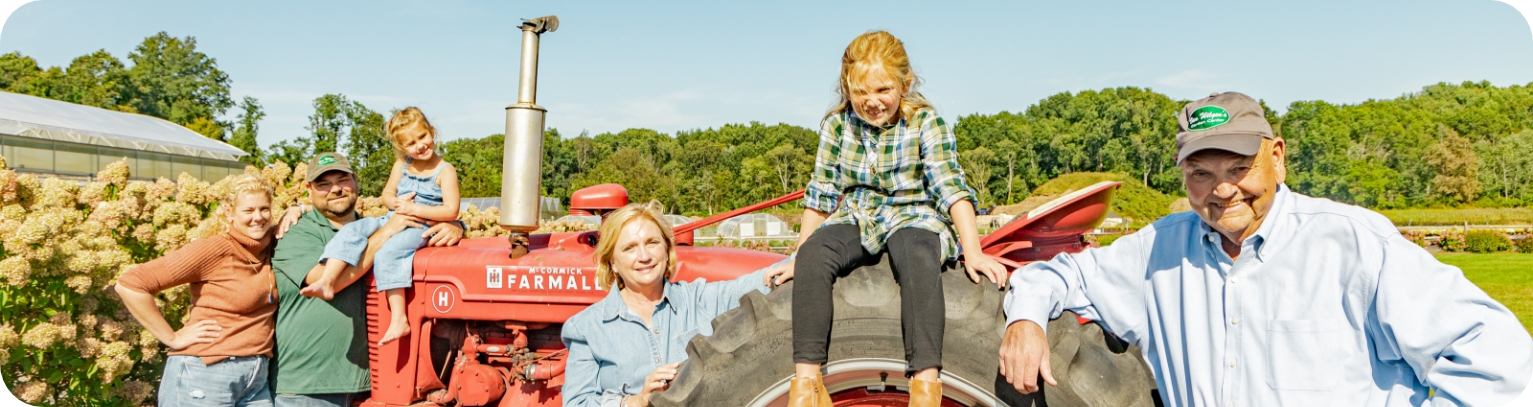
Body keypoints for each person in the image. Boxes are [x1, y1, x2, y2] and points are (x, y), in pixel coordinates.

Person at [998, 92, 1533, 406]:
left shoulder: (1352, 243)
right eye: (1202, 173)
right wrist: (1025, 320)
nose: (1223, 189)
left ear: (1276, 157)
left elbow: (1498, 361)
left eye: (1239, 168)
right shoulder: (1159, 250)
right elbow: (1059, 273)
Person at [771, 30, 1006, 407]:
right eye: (860, 92)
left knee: (915, 255)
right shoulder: (837, 126)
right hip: (860, 214)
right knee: (815, 254)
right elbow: (822, 192)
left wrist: (973, 252)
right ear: (847, 88)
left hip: (914, 214)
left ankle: (926, 387)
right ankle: (807, 386)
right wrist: (797, 254)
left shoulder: (926, 122)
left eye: (882, 90)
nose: (871, 102)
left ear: (905, 84)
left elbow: (952, 189)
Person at [267, 152, 464, 407]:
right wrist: (388, 231)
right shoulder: (298, 231)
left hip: (371, 385)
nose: (335, 189)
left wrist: (456, 225)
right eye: (323, 184)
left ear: (356, 182)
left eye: (343, 180)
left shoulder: (371, 226)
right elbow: (329, 282)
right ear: (309, 190)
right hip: (309, 387)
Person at [560, 201, 795, 407]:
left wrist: (805, 260)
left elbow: (763, 281)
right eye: (630, 248)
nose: (644, 256)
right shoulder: (586, 329)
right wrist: (635, 401)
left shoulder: (700, 300)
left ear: (666, 249)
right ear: (612, 262)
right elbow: (576, 403)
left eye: (652, 243)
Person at [300, 107, 461, 346]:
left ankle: (399, 318)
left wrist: (415, 210)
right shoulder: (402, 164)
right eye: (410, 143)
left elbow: (451, 210)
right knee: (351, 230)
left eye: (422, 137)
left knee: (389, 252)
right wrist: (395, 202)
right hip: (393, 217)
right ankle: (328, 280)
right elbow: (387, 193)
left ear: (432, 132)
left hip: (418, 224)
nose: (419, 146)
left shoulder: (445, 171)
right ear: (401, 148)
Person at [115, 174, 279, 406]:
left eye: (264, 209)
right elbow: (131, 284)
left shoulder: (270, 247)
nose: (258, 217)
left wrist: (298, 208)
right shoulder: (214, 249)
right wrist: (171, 337)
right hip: (205, 372)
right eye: (248, 210)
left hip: (255, 378)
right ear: (229, 212)